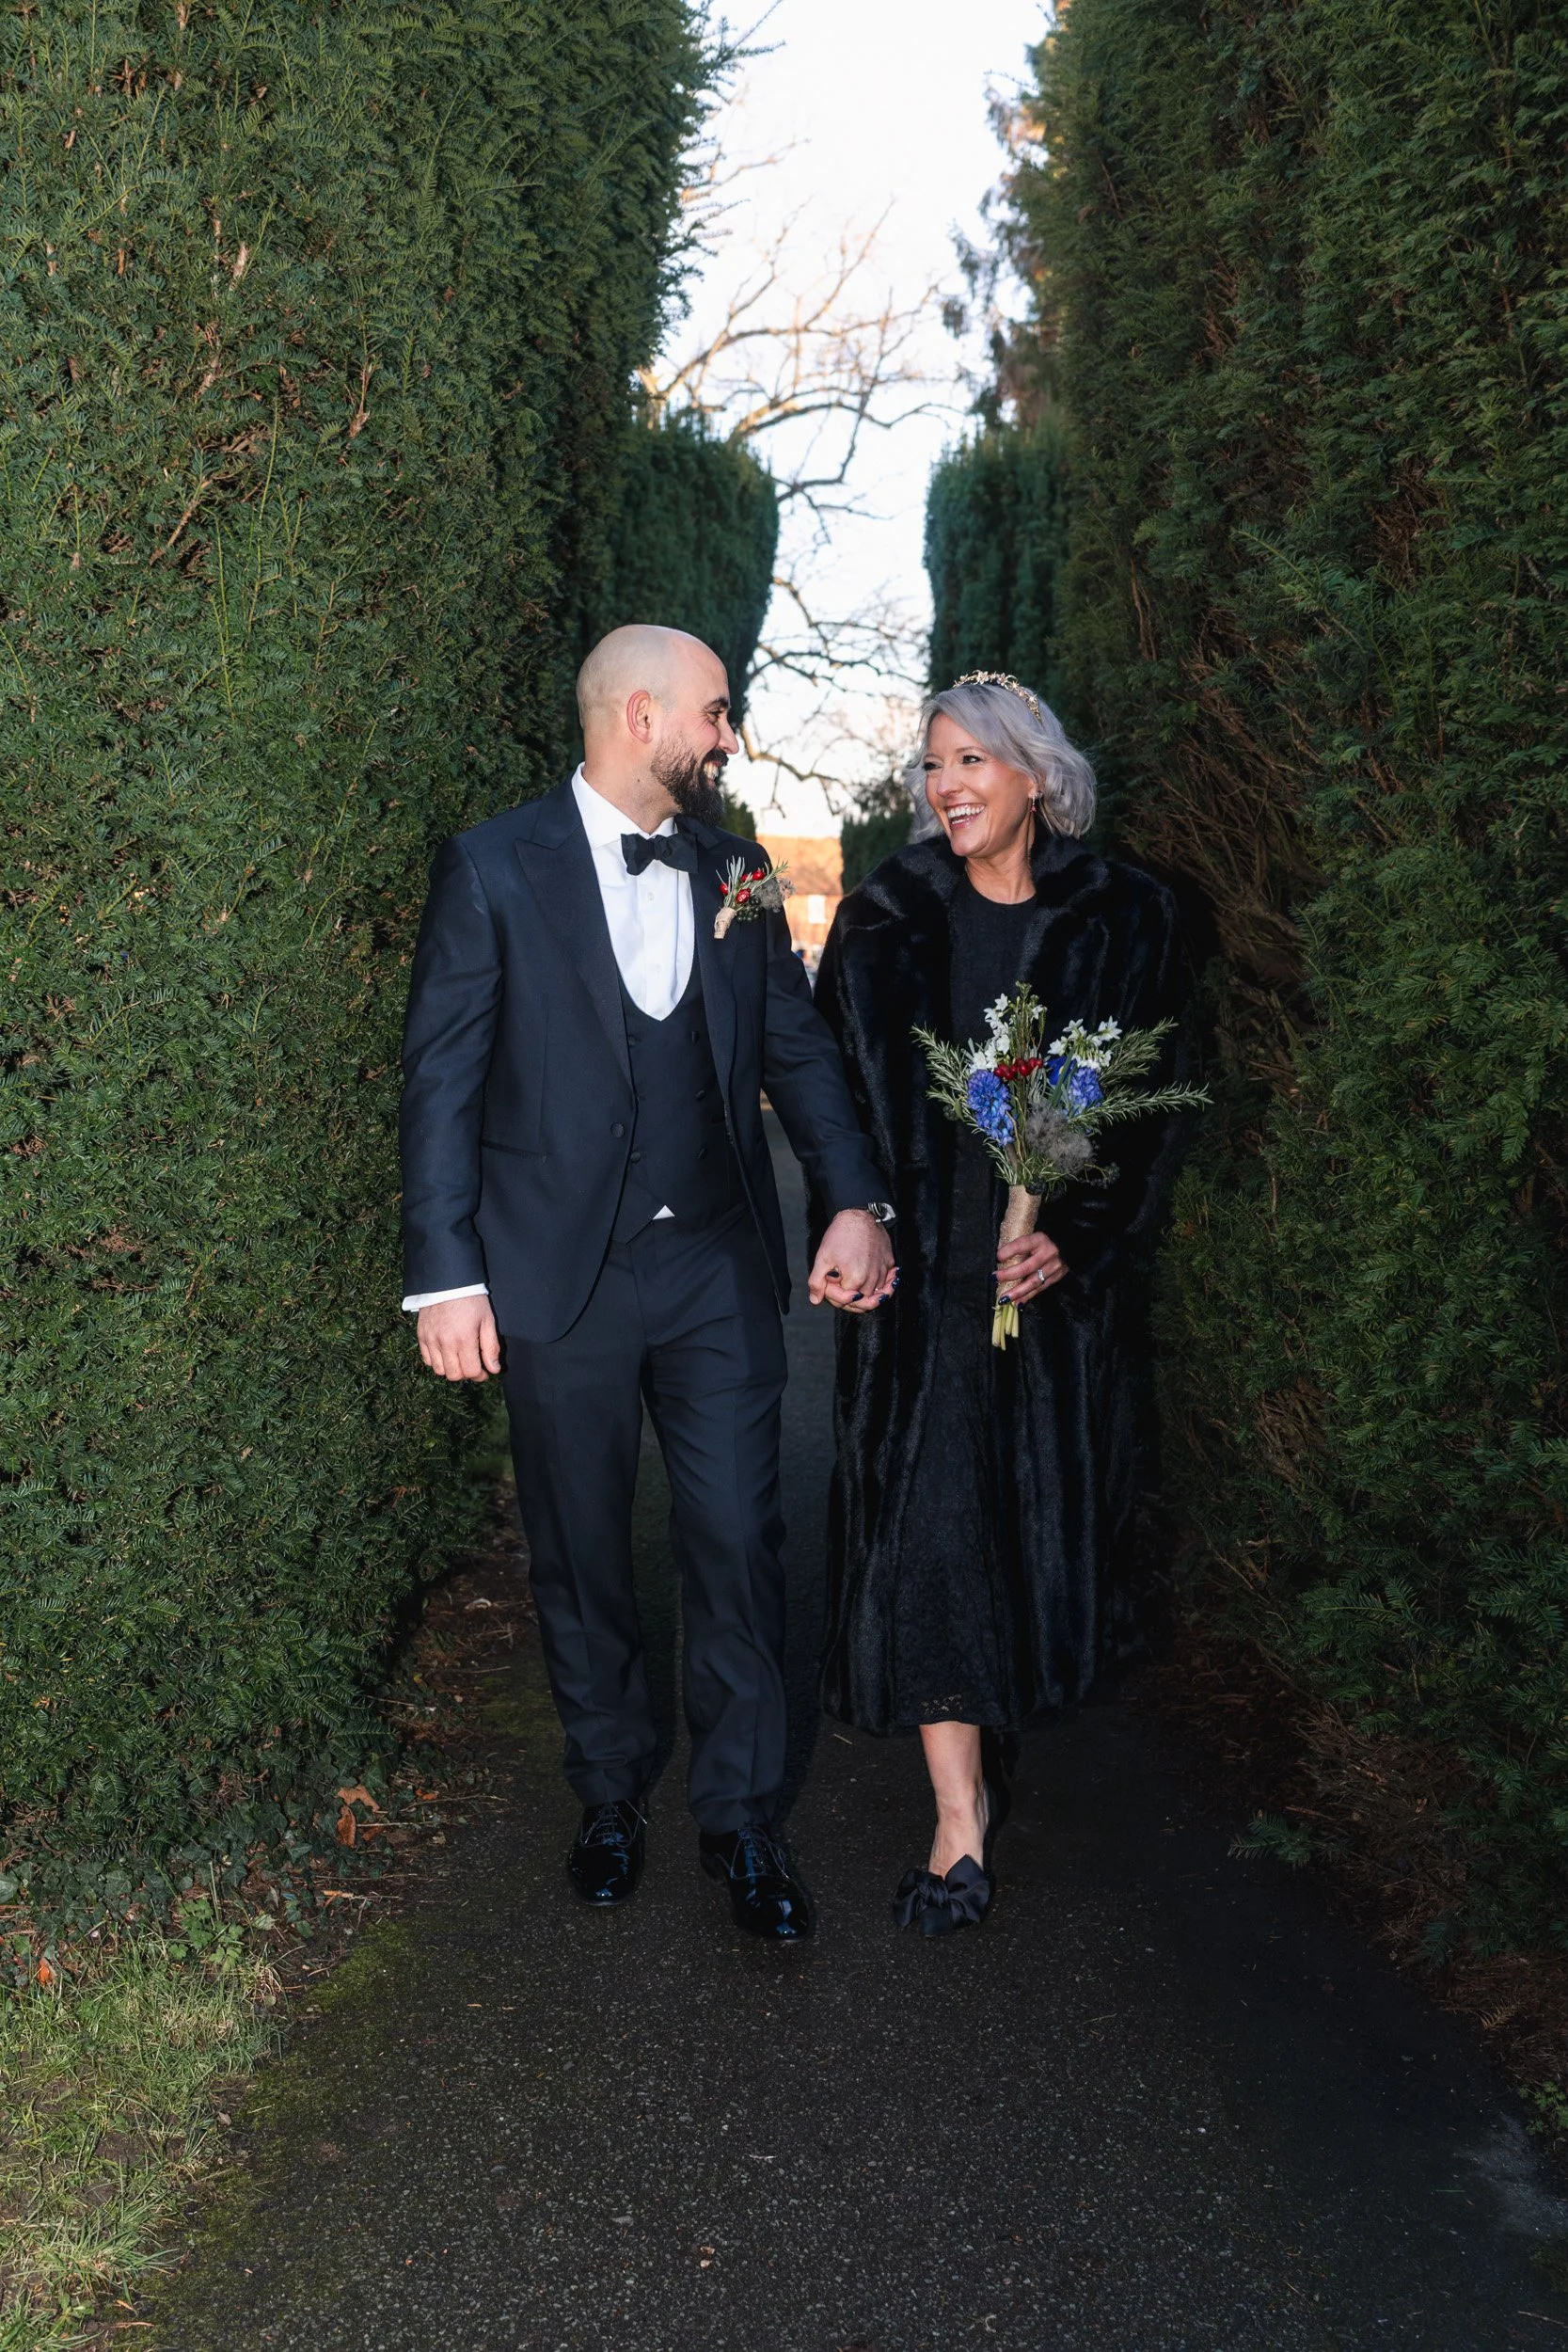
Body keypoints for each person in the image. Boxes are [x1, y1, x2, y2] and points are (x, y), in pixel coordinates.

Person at [399, 625, 896, 1942]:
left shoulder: (735, 870)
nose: (728, 736)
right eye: (717, 713)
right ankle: (608, 1792)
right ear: (640, 715)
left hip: (713, 1271)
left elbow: (792, 1046)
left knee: (739, 1540)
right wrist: (443, 1278)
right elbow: (440, 1082)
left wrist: (852, 1198)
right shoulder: (494, 865)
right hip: (552, 1274)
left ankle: (741, 1824)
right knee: (580, 1553)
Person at [812, 673, 1191, 1936]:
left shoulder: (1124, 916)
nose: (947, 787)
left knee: (1018, 1534)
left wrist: (1072, 1233)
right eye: (931, 766)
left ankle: (999, 1734)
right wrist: (854, 1210)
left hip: (1039, 1299)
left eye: (972, 761)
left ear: (1035, 775)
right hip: (920, 1294)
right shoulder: (880, 919)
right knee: (925, 1531)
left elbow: (1142, 1119)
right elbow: (833, 1107)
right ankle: (957, 1822)